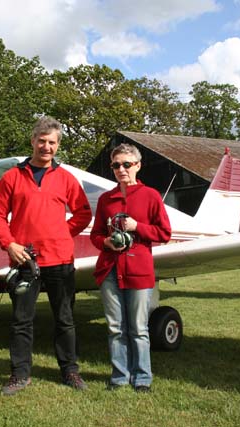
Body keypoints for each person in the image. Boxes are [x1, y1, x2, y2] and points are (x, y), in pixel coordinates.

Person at [0, 116, 92, 396]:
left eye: (52, 143)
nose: (46, 147)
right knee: (21, 320)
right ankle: (20, 374)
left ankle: (70, 371)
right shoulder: (12, 177)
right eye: (42, 141)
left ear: (57, 146)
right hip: (25, 261)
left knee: (65, 319)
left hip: (60, 259)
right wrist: (9, 243)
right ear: (33, 140)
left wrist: (62, 232)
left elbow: (84, 212)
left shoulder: (66, 178)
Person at [89, 143, 171, 392]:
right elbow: (95, 234)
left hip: (139, 270)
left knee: (139, 329)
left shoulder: (151, 196)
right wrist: (105, 242)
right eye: (116, 165)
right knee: (115, 328)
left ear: (137, 165)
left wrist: (137, 227)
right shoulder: (106, 199)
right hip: (110, 270)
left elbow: (164, 233)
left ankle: (142, 378)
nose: (121, 169)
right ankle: (119, 377)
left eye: (126, 164)